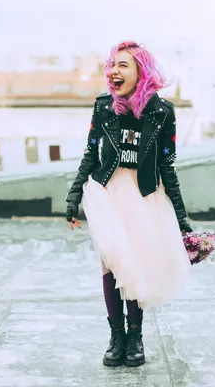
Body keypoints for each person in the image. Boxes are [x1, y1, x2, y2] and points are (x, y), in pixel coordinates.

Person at [65, 41, 193, 367]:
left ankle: (135, 335)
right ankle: (116, 336)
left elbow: (167, 166)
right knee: (110, 264)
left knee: (135, 264)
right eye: (111, 65)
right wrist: (74, 195)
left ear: (140, 70)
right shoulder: (103, 107)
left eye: (122, 65)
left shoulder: (163, 112)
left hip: (144, 194)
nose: (113, 71)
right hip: (106, 192)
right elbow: (91, 153)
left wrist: (182, 219)